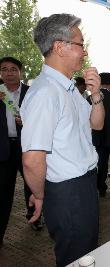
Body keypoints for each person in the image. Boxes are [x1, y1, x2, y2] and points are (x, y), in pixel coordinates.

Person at [20, 14, 105, 266]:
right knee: (76, 257)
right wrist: (40, 194)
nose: (85, 51)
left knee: (86, 254)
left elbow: (96, 124)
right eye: (80, 44)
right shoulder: (46, 92)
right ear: (59, 46)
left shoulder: (66, 88)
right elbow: (32, 160)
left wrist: (96, 94)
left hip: (82, 187)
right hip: (69, 193)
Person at [0, 57, 43, 246]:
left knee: (31, 185)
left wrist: (26, 122)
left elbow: (41, 119)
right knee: (3, 192)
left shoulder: (32, 92)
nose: (9, 73)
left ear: (20, 72)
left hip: (27, 146)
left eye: (13, 69)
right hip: (3, 149)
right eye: (4, 69)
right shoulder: (0, 92)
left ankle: (33, 216)